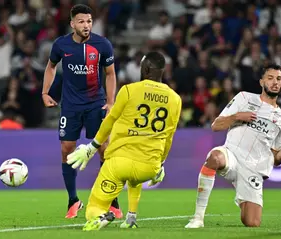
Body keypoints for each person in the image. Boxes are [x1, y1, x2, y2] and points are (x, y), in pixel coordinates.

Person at [66, 51, 182, 231]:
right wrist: (160, 164)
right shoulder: (175, 99)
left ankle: (100, 215)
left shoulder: (129, 90)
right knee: (134, 180)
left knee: (94, 206)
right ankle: (131, 218)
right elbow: (169, 136)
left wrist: (92, 147)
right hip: (148, 166)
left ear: (145, 68)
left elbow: (109, 121)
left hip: (119, 163)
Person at [185, 64, 281, 228]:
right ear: (261, 82)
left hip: (253, 170)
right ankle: (198, 218)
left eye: (278, 79)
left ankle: (244, 198)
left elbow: (276, 159)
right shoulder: (244, 98)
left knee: (252, 222)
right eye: (270, 78)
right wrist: (237, 116)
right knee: (214, 157)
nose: (274, 82)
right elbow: (216, 125)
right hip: (231, 156)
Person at [41, 4, 122, 219]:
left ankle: (112, 200)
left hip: (96, 104)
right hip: (70, 105)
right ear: (72, 24)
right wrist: (45, 92)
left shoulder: (102, 45)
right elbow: (50, 67)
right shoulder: (61, 45)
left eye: (89, 21)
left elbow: (111, 74)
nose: (86, 26)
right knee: (67, 149)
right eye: (81, 22)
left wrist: (111, 101)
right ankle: (73, 200)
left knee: (104, 149)